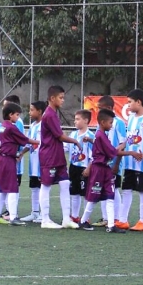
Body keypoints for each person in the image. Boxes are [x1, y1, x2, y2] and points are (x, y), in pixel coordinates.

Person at [39, 85, 82, 229]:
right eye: (60, 97)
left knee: (64, 184)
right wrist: (75, 140)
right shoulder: (49, 114)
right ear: (52, 98)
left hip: (58, 156)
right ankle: (45, 220)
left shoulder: (54, 113)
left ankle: (66, 219)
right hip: (49, 156)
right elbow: (60, 136)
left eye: (63, 97)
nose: (63, 100)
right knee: (46, 186)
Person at [0, 103, 39, 226]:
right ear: (10, 114)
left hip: (1, 158)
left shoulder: (2, 126)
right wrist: (38, 142)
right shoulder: (11, 127)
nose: (18, 117)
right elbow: (25, 139)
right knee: (13, 188)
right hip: (8, 160)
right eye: (17, 115)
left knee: (2, 189)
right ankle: (13, 217)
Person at [117, 89, 143, 232]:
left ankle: (142, 221)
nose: (128, 105)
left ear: (139, 102)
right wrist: (122, 147)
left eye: (130, 102)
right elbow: (129, 137)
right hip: (129, 161)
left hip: (142, 163)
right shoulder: (131, 118)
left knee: (142, 191)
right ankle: (122, 220)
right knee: (126, 189)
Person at [78, 109, 122, 233]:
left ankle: (111, 225)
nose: (111, 125)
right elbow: (113, 152)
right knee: (93, 196)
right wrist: (131, 152)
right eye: (110, 122)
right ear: (102, 122)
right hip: (98, 170)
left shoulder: (101, 135)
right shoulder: (100, 135)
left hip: (106, 170)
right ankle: (83, 221)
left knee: (110, 196)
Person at [95, 95, 127, 227]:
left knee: (114, 188)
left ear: (108, 108)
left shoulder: (118, 123)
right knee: (102, 188)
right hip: (102, 162)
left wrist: (116, 161)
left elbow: (123, 143)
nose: (98, 111)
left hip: (113, 163)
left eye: (100, 108)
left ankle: (117, 217)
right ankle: (106, 218)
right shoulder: (100, 123)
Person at [66, 109, 95, 223]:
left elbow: (94, 155)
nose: (75, 122)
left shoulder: (90, 136)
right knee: (74, 192)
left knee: (85, 193)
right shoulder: (73, 134)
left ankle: (85, 218)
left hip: (85, 168)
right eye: (75, 119)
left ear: (86, 120)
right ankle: (74, 216)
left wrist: (89, 168)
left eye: (78, 119)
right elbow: (67, 147)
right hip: (73, 167)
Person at [20, 101, 46, 223]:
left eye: (32, 110)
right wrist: (21, 154)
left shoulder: (45, 125)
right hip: (33, 163)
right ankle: (34, 212)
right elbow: (28, 143)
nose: (29, 113)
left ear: (39, 111)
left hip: (43, 162)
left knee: (43, 188)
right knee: (34, 187)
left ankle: (43, 213)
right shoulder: (33, 126)